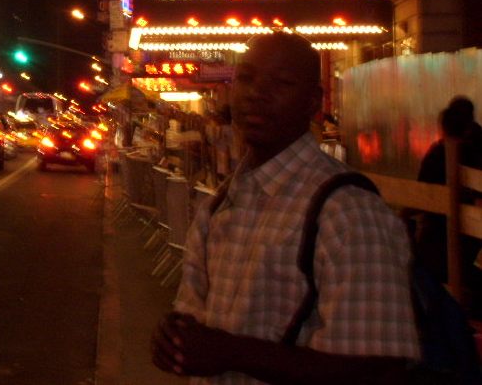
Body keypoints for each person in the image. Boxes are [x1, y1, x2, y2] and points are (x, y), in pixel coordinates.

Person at [152, 31, 421, 384]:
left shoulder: (348, 213)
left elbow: (379, 368)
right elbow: (196, 317)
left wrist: (231, 353)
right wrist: (174, 338)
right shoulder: (221, 204)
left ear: (313, 101)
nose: (257, 93)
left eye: (282, 83)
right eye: (246, 78)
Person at [414, 96, 482, 314]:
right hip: (464, 249)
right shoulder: (475, 148)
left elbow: (421, 195)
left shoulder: (437, 153)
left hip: (437, 249)